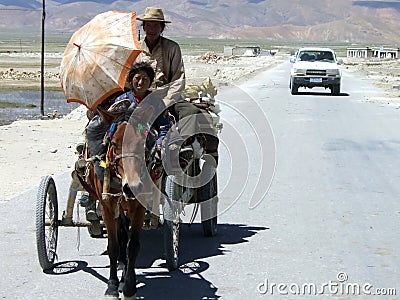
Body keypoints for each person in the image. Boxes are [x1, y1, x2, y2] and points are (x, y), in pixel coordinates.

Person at [135, 7, 219, 167]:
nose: (152, 29)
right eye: (149, 25)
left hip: (168, 99)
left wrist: (164, 103)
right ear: (143, 27)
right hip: (143, 98)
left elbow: (178, 80)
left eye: (156, 25)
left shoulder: (172, 48)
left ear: (162, 28)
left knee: (191, 113)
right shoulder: (136, 50)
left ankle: (180, 148)